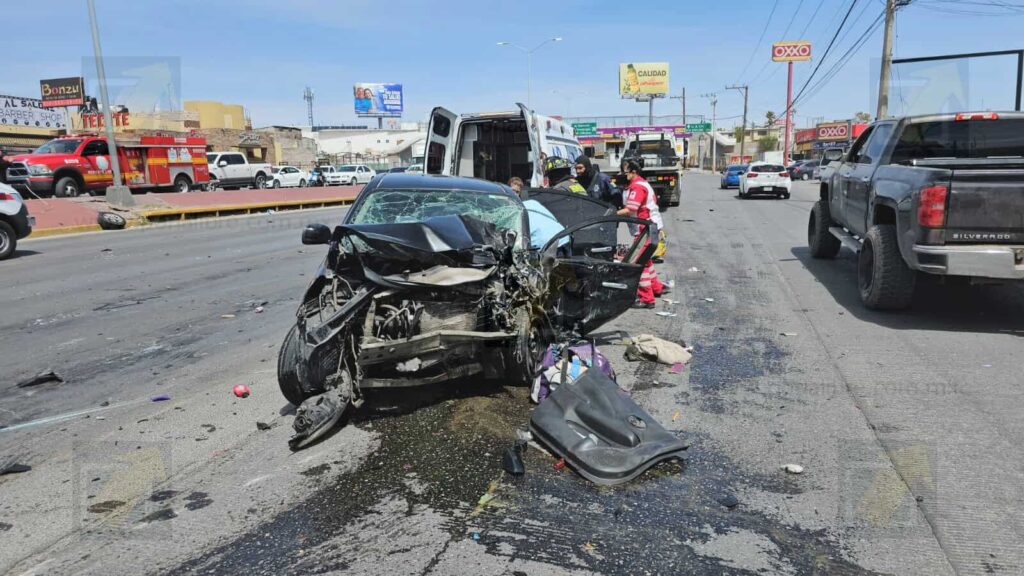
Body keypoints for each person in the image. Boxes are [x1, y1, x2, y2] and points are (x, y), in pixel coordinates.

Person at [616, 158, 666, 308]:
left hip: (646, 228)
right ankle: (656, 288)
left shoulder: (637, 187)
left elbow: (630, 209)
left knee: (638, 263)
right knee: (646, 260)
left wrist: (612, 213)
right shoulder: (641, 183)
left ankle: (646, 299)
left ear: (633, 172)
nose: (622, 174)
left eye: (625, 172)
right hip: (650, 227)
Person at [510, 176, 567, 251]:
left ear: (520, 193)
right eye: (512, 191)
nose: (514, 194)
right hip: (563, 237)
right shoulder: (532, 203)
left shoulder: (517, 209)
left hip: (547, 244)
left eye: (517, 192)